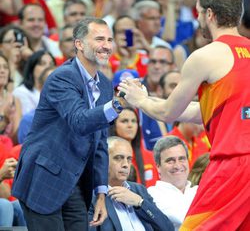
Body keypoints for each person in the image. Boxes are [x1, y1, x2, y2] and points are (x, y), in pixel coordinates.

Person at [118, 0, 250, 230]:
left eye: (199, 12)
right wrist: (150, 99)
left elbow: (170, 112)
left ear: (209, 14)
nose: (198, 19)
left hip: (233, 166)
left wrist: (139, 100)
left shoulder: (205, 56)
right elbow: (201, 112)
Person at [12, 17, 126, 231]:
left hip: (74, 183)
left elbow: (100, 142)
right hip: (42, 178)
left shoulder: (104, 84)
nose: (107, 45)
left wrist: (101, 193)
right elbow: (80, 121)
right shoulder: (62, 77)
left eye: (109, 39)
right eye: (99, 39)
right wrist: (118, 104)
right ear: (79, 44)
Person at [89, 136, 174, 231]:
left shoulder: (139, 190)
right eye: (118, 158)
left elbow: (168, 228)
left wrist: (140, 202)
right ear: (102, 161)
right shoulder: (91, 196)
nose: (125, 164)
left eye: (129, 159)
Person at [148, 135, 198, 231]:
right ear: (158, 166)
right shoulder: (151, 195)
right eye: (170, 161)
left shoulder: (199, 191)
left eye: (182, 159)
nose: (177, 165)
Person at [109, 107, 159, 188]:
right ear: (114, 126)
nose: (130, 125)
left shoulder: (151, 157)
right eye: (124, 121)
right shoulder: (106, 157)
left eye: (133, 121)